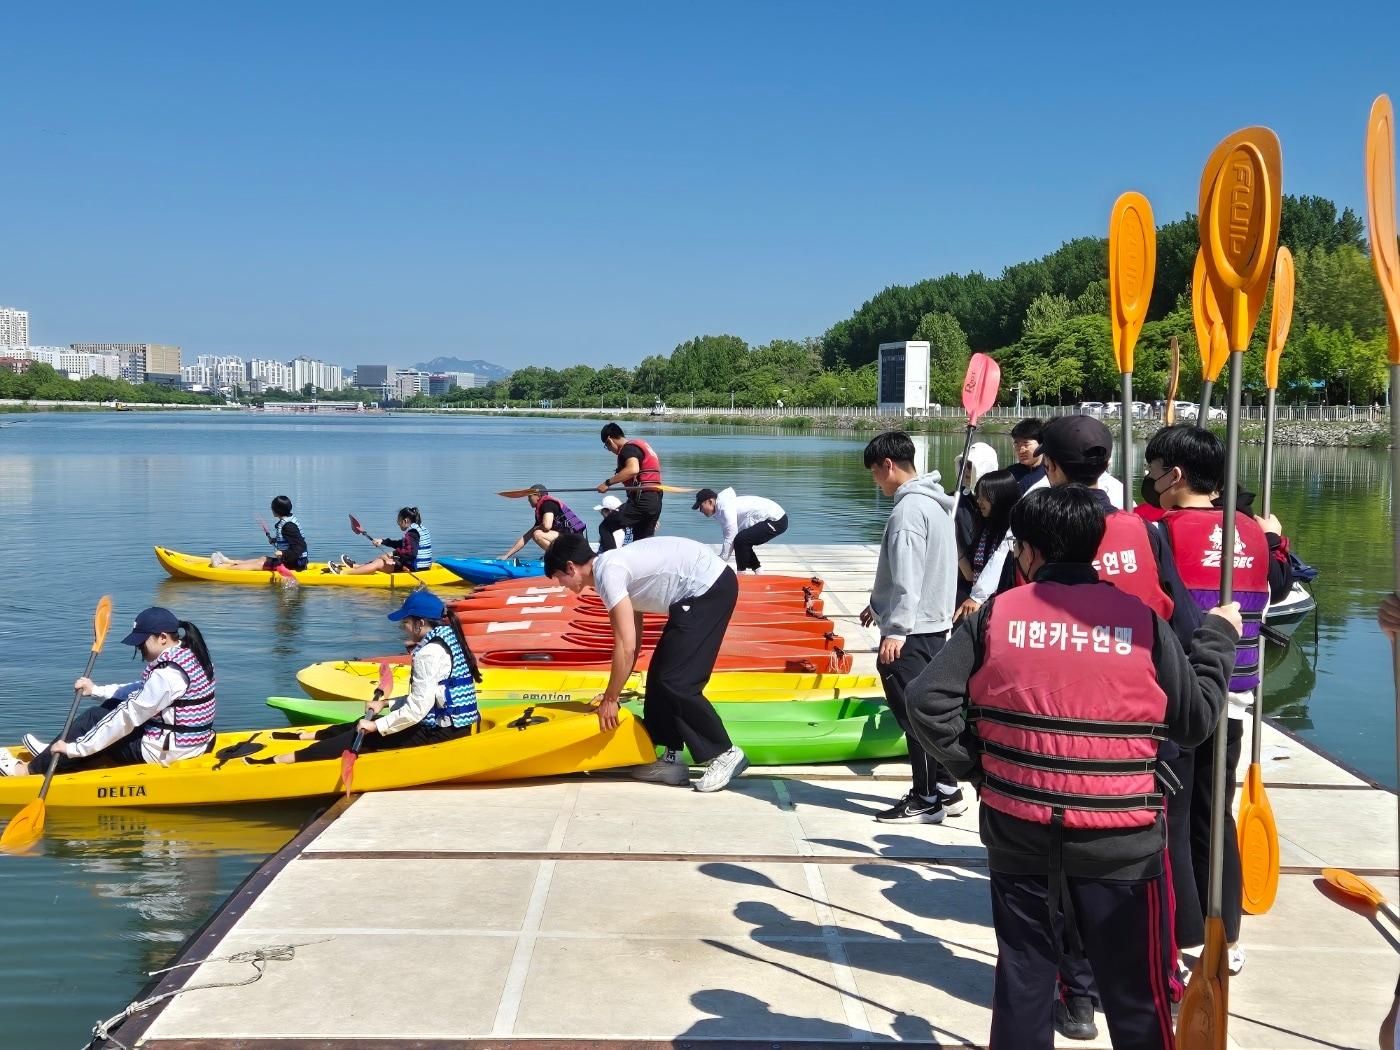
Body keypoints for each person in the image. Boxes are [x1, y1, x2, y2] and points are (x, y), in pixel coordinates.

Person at [907, 486, 1241, 1050]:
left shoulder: (994, 616)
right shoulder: (1139, 620)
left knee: (1023, 979)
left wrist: (982, 767)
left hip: (1018, 829)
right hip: (1122, 840)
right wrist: (1217, 640)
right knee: (1136, 993)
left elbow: (926, 701)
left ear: (1028, 552)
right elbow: (1194, 721)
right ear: (1094, 548)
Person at [1140, 424, 1294, 979]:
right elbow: (1275, 586)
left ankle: (1182, 939)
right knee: (1215, 814)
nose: (1151, 483)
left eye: (1155, 472)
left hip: (1181, 694)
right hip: (1236, 691)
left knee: (1174, 820)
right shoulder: (1252, 530)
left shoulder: (1157, 531)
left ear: (1175, 475)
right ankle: (1225, 936)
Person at [543, 533, 748, 793]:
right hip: (695, 594)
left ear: (571, 567)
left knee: (677, 681)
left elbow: (626, 646)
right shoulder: (610, 569)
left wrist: (610, 698)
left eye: (559, 578)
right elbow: (634, 642)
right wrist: (613, 693)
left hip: (709, 588)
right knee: (659, 678)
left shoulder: (609, 573)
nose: (561, 584)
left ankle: (725, 752)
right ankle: (670, 759)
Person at [858, 430, 963, 824]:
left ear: (889, 465)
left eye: (874, 473)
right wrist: (876, 604)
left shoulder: (906, 512)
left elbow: (908, 576)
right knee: (931, 712)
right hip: (934, 625)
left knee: (913, 717)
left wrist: (896, 629)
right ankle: (948, 790)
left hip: (912, 631)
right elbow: (924, 569)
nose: (875, 482)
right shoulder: (937, 505)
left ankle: (924, 799)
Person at [264, 590, 481, 763]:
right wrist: (386, 703)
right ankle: (307, 737)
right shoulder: (448, 637)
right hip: (452, 725)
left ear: (420, 623)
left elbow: (417, 710)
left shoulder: (428, 653)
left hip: (442, 732)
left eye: (404, 622)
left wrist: (377, 727)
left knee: (362, 733)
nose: (402, 628)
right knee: (362, 723)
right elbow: (430, 697)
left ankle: (284, 760)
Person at [0, 607, 217, 777]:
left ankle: (27, 771)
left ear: (162, 637)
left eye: (142, 643)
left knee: (93, 718)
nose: (139, 649)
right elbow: (142, 691)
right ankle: (52, 753)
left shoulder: (167, 675)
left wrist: (77, 749)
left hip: (166, 752)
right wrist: (96, 690)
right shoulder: (189, 654)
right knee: (108, 708)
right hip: (189, 742)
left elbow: (127, 718)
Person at [955, 468, 1019, 622]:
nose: (979, 501)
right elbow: (971, 574)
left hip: (1002, 609)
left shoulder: (1014, 535)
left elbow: (1000, 565)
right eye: (979, 495)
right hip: (979, 606)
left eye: (985, 497)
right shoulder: (984, 529)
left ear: (1000, 497)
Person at [692, 487, 788, 574]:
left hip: (777, 520)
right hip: (772, 519)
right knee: (742, 540)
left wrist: (719, 561)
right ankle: (759, 572)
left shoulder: (725, 508)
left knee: (741, 540)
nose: (700, 510)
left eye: (701, 506)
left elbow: (730, 538)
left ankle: (741, 575)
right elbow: (730, 538)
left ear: (710, 501)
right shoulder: (720, 510)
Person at [598, 422, 663, 540]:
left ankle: (610, 558)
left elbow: (633, 469)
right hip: (655, 499)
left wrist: (607, 483)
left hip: (642, 499)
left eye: (607, 446)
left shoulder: (627, 449)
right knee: (642, 541)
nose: (609, 450)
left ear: (609, 440)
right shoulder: (639, 446)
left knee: (605, 527)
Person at [953, 442, 999, 601]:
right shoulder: (954, 500)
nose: (966, 470)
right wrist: (963, 564)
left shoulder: (1000, 502)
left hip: (992, 579)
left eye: (970, 466)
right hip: (961, 577)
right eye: (963, 465)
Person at [212, 495, 308, 572]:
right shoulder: (288, 521)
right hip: (293, 561)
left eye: (272, 508)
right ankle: (228, 561)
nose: (271, 510)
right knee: (263, 559)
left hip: (295, 564)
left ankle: (222, 568)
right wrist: (275, 540)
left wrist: (283, 553)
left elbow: (300, 546)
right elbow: (290, 540)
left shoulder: (289, 526)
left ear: (277, 510)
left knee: (259, 565)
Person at [328, 507, 433, 576]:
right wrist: (383, 541)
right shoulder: (418, 528)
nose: (398, 523)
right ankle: (356, 567)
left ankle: (344, 574)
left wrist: (392, 555)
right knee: (383, 557)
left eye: (398, 521)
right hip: (420, 566)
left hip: (415, 569)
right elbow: (402, 544)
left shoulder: (412, 533)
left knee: (379, 562)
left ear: (405, 520)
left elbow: (411, 553)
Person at [502, 485, 587, 558]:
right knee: (535, 532)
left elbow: (547, 526)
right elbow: (526, 537)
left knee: (537, 534)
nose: (528, 499)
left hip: (574, 540)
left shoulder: (547, 504)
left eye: (529, 496)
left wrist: (536, 529)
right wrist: (507, 555)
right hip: (568, 539)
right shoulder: (542, 510)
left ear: (538, 495)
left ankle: (562, 559)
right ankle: (559, 557)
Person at [1008, 418, 1047, 493]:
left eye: (1026, 444)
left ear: (1041, 445)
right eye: (1017, 444)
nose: (1021, 450)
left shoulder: (1051, 473)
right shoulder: (1010, 473)